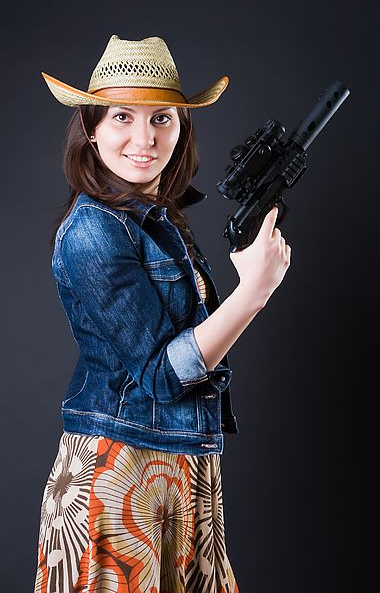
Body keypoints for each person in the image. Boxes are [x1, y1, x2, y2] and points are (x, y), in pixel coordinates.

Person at [34, 34, 291, 592]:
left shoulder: (158, 219)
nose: (144, 138)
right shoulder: (92, 232)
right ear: (92, 128)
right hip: (117, 474)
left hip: (185, 468)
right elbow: (161, 375)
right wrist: (254, 292)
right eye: (123, 116)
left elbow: (193, 346)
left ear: (182, 127)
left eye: (163, 118)